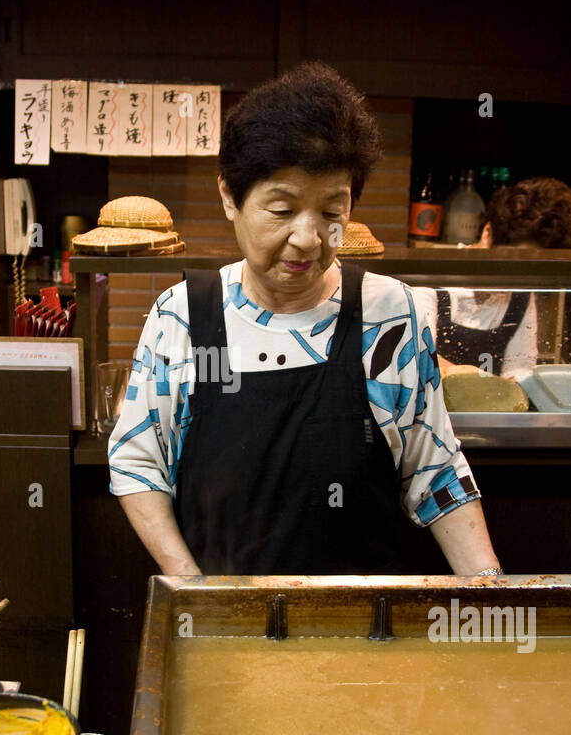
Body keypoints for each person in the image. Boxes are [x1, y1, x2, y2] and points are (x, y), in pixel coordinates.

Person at [106, 62, 502, 578]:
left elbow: (435, 470)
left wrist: (492, 591)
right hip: (225, 630)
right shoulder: (185, 317)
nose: (309, 238)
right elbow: (138, 463)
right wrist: (193, 590)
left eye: (332, 212)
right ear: (230, 196)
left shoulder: (390, 314)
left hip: (362, 628)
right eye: (282, 209)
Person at [436, 176, 571, 379]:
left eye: (529, 269)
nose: (514, 278)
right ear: (488, 233)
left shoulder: (520, 295)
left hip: (486, 409)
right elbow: (420, 358)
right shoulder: (432, 280)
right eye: (509, 262)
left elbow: (519, 369)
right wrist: (487, 387)